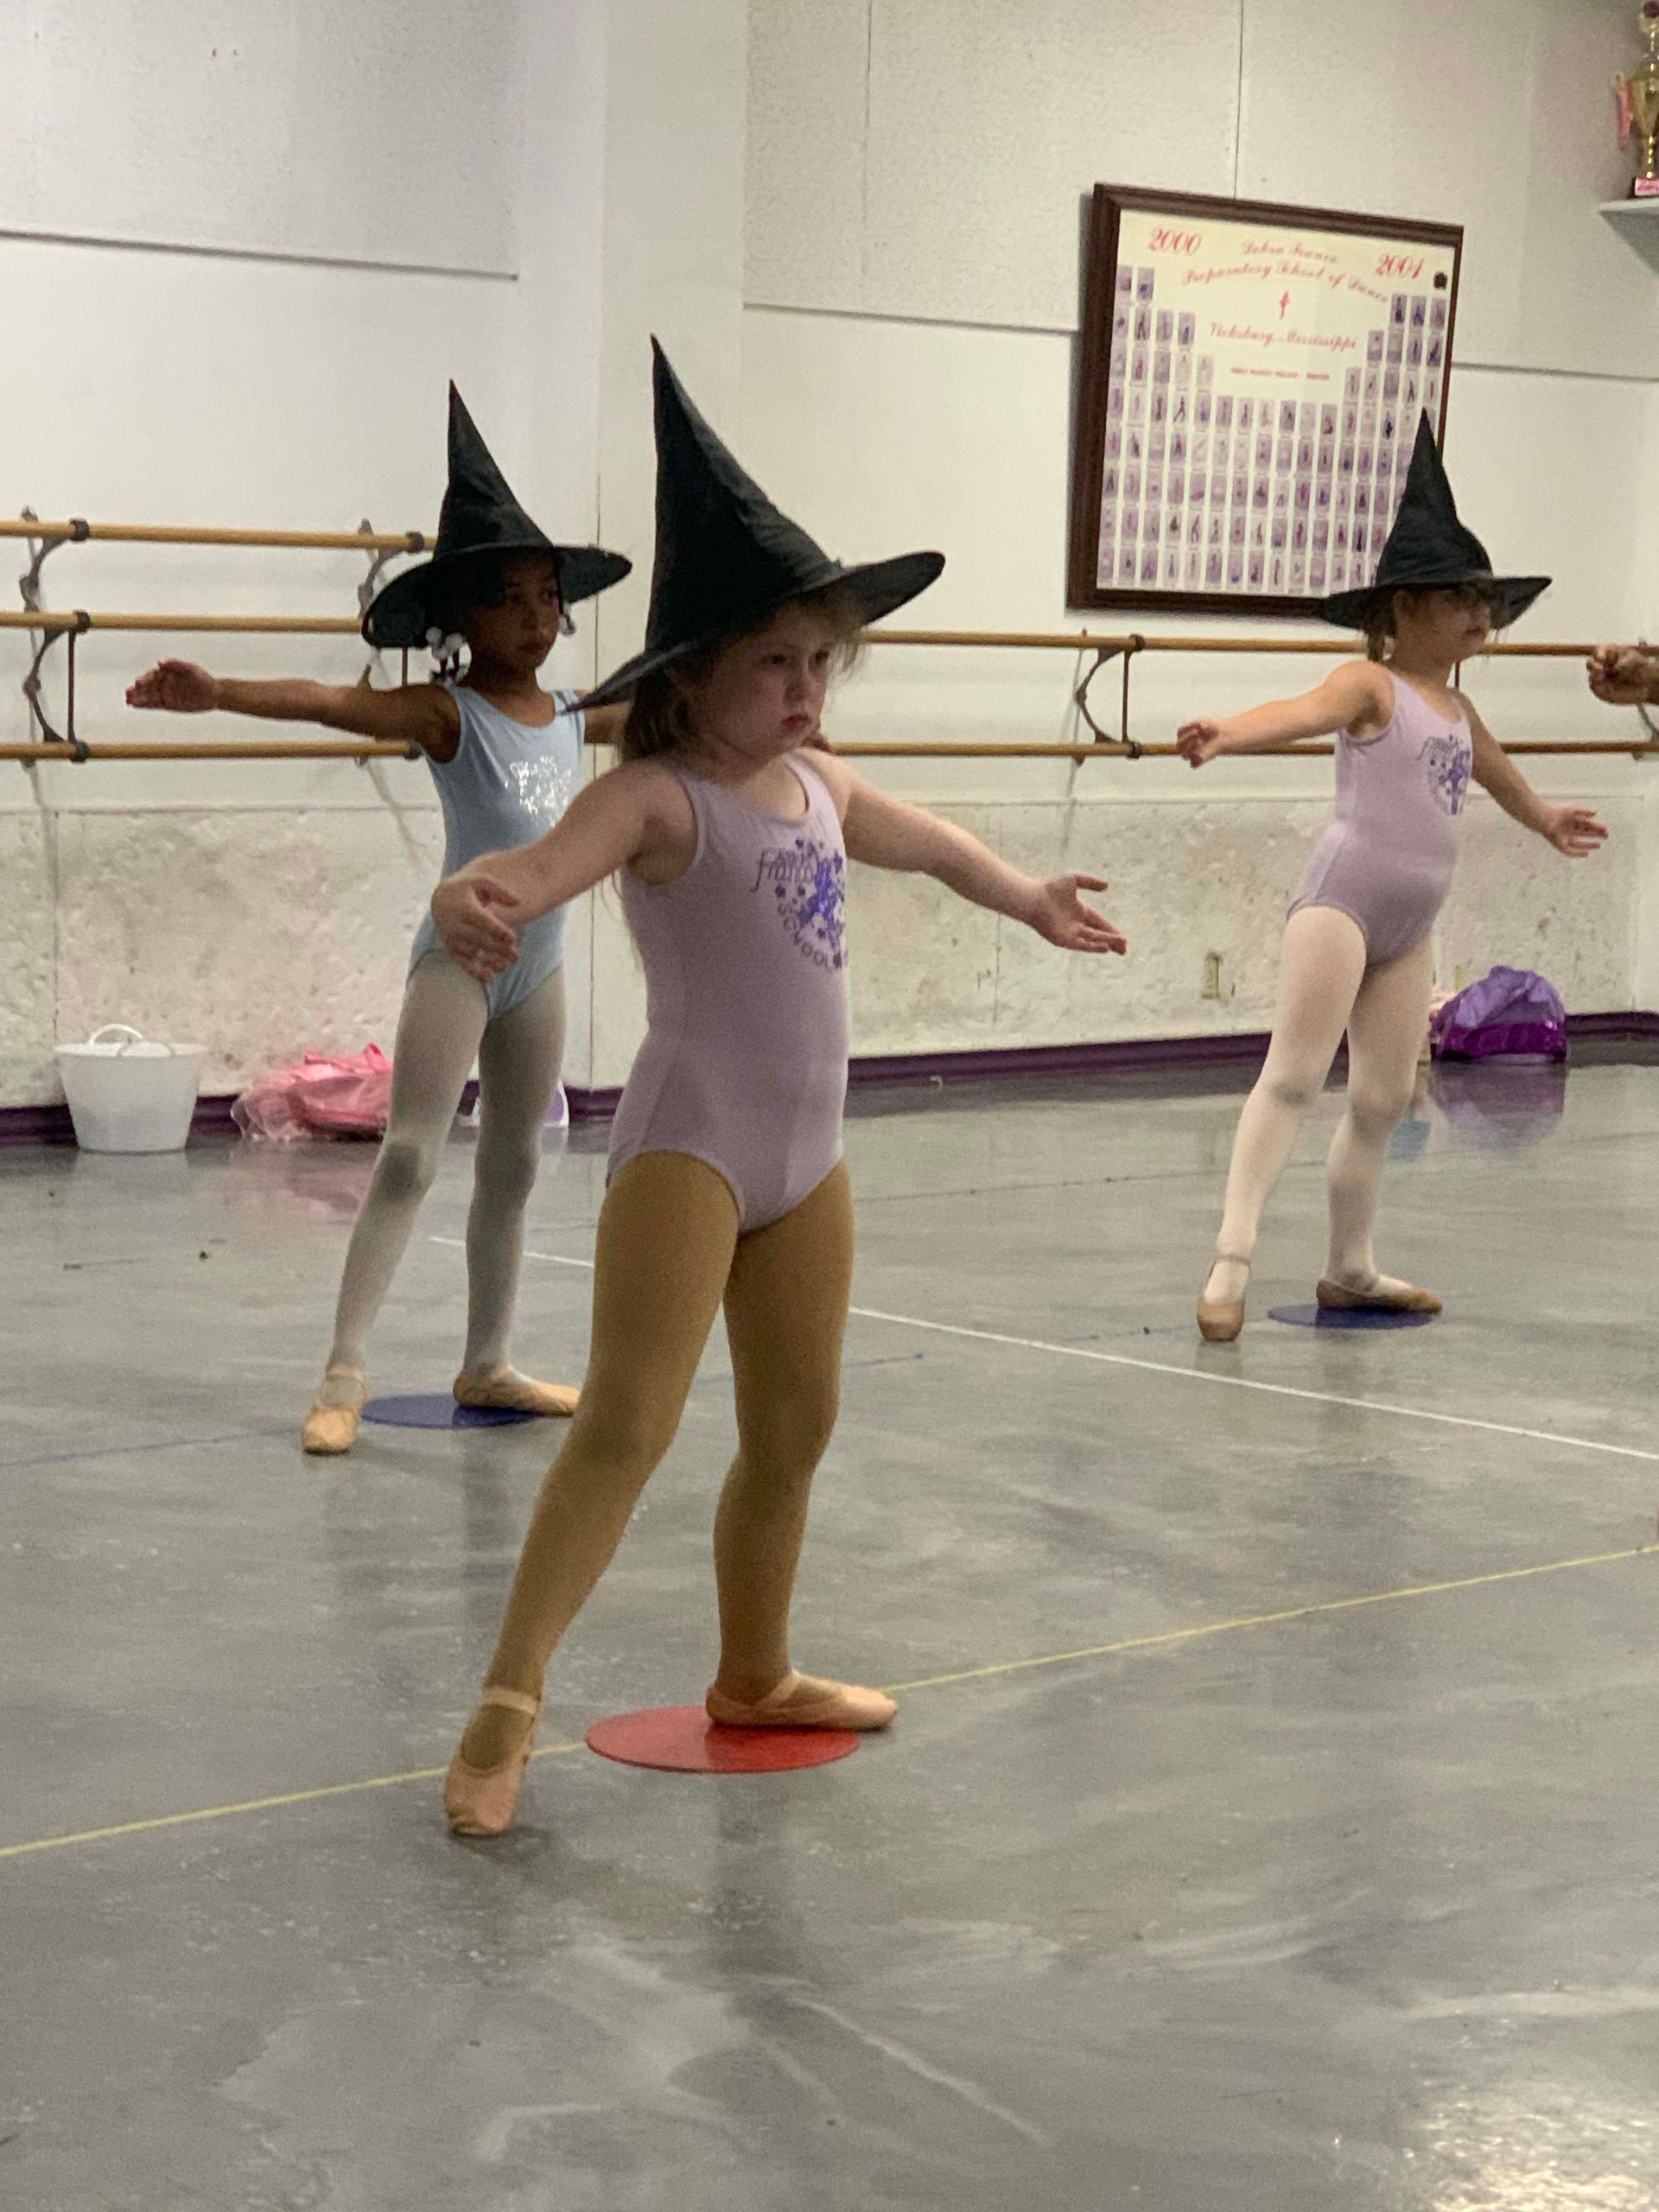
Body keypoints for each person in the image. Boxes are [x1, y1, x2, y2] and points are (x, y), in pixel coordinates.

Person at [430, 341, 1128, 1836]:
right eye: (776, 663)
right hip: (691, 1152)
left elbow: (931, 842)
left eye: (822, 661)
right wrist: (467, 899)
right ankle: (506, 1702)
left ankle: (754, 1673)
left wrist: (1028, 897)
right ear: (691, 674)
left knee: (796, 1428)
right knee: (626, 1427)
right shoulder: (653, 796)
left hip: (811, 1162)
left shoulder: (820, 785)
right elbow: (532, 872)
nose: (808, 688)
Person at [127, 387, 632, 1452]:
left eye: (549, 597)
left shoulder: (574, 716)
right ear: (461, 620)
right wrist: (217, 690)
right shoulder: (451, 712)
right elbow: (330, 702)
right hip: (459, 965)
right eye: (511, 599)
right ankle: (344, 1370)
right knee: (408, 1155)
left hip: (540, 970)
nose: (538, 618)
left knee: (515, 1165)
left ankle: (488, 1359)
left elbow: (679, 722)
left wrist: (783, 724)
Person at [1178, 414, 1606, 1342]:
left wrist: (1543, 817)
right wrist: (1228, 733)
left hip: (1411, 928)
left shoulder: (1457, 705)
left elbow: (1494, 770)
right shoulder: (1370, 685)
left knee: (1381, 1100)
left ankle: (1349, 1265)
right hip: (1342, 907)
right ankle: (1231, 1258)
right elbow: (1301, 710)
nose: (1479, 616)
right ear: (1404, 607)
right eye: (1459, 599)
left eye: (1484, 600)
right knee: (1293, 1078)